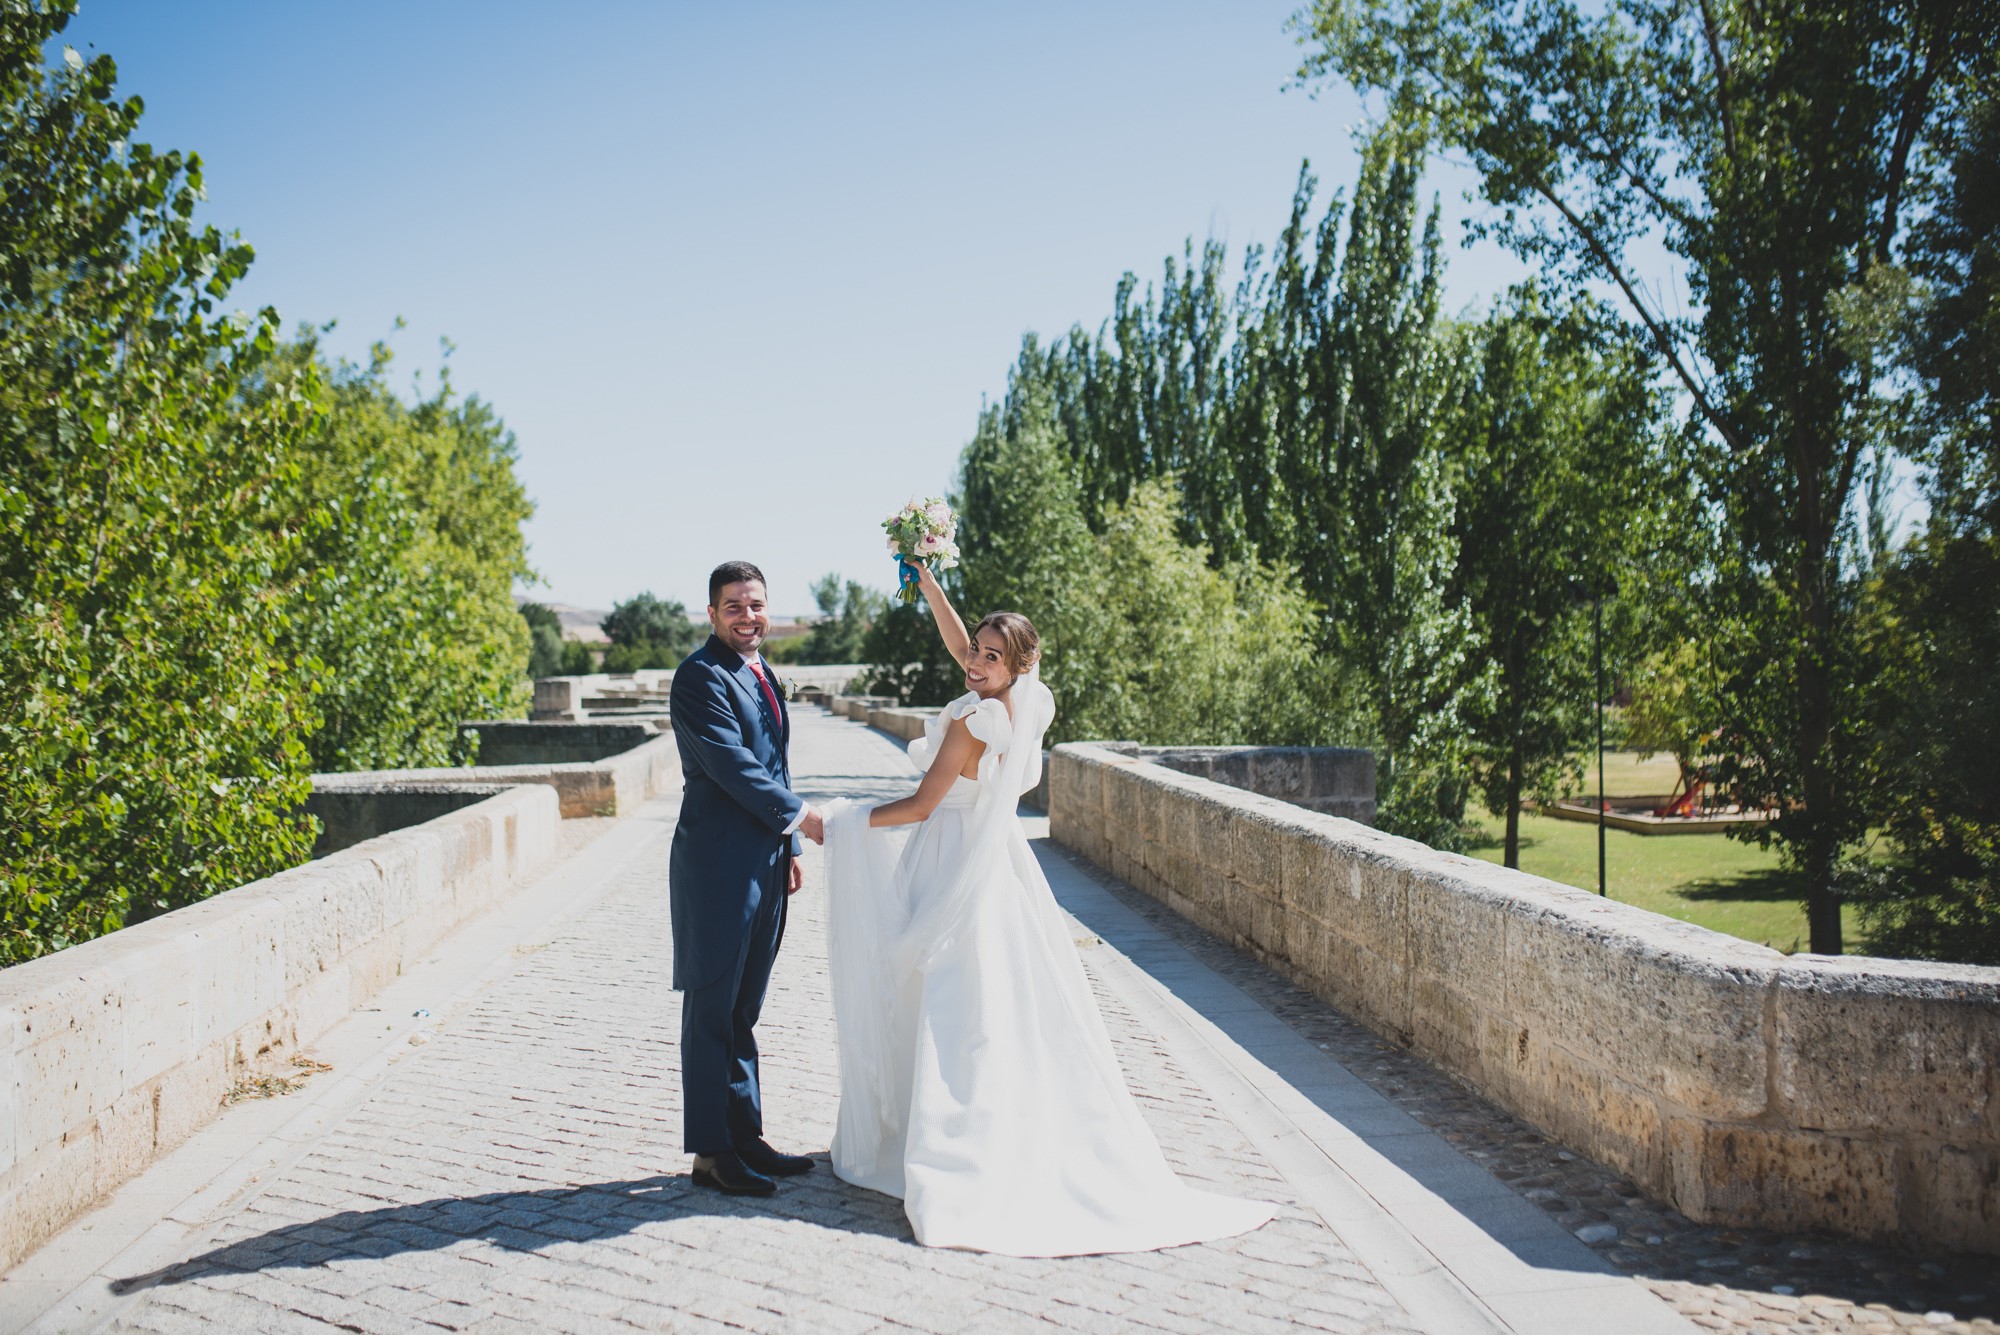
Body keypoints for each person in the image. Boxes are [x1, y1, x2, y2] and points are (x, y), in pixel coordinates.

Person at [820, 560, 1276, 1256]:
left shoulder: (973, 721)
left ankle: (958, 1142)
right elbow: (962, 646)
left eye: (990, 656)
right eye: (975, 649)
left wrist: (842, 820)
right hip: (997, 860)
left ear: (1017, 665)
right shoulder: (1024, 705)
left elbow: (920, 806)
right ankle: (996, 1122)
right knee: (999, 997)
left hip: (949, 857)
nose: (974, 661)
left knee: (951, 997)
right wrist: (930, 585)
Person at [669, 560, 826, 1197]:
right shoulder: (700, 676)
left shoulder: (761, 671)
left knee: (743, 1009)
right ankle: (712, 1152)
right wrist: (803, 816)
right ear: (712, 613)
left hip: (766, 861)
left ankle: (745, 1136)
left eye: (755, 604)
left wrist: (789, 846)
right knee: (712, 1007)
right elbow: (734, 766)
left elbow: (776, 763)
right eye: (733, 606)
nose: (747, 615)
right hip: (717, 868)